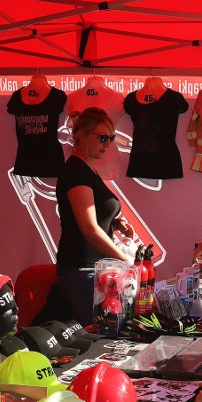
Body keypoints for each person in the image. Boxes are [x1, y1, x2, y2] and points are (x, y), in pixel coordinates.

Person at [52, 107, 133, 325]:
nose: (107, 144)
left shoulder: (87, 170)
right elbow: (88, 228)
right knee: (99, 333)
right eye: (102, 138)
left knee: (106, 331)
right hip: (82, 269)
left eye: (112, 138)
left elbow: (92, 217)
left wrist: (116, 223)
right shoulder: (77, 172)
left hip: (91, 269)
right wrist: (125, 260)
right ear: (80, 136)